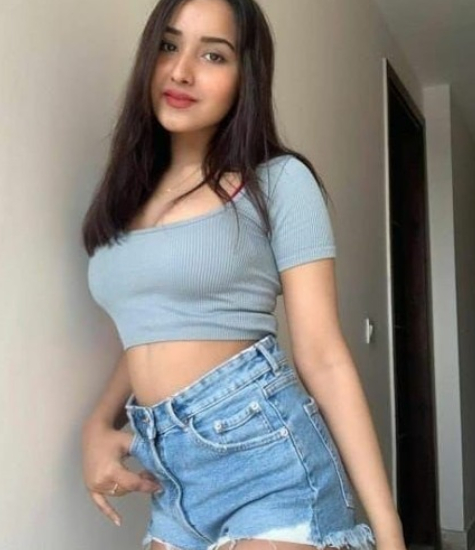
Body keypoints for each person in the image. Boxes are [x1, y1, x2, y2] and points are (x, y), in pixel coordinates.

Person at [80, 1, 406, 549]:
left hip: (263, 452)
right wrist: (97, 424)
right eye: (169, 46)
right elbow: (149, 329)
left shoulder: (278, 182)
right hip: (171, 474)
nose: (181, 70)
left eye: (214, 55)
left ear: (245, 75)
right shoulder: (127, 198)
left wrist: (389, 529)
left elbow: (324, 356)